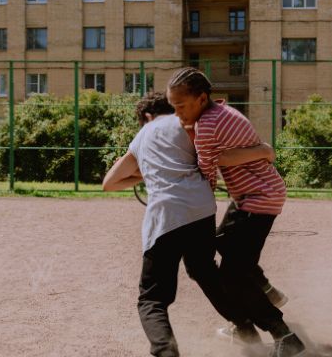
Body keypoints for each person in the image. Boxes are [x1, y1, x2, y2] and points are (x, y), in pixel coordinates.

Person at [102, 93, 274, 357]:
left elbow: (109, 183)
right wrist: (262, 151)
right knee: (204, 271)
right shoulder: (193, 124)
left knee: (152, 299)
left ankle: (165, 352)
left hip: (166, 217)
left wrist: (149, 172)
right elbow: (215, 157)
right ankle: (247, 331)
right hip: (201, 211)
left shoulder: (146, 132)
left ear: (147, 117)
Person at [166, 67, 306, 357]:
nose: (178, 113)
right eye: (173, 107)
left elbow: (206, 179)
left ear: (201, 98)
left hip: (257, 199)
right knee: (225, 247)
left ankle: (284, 335)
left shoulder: (206, 126)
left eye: (181, 106)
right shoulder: (221, 112)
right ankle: (263, 292)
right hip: (255, 196)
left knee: (232, 274)